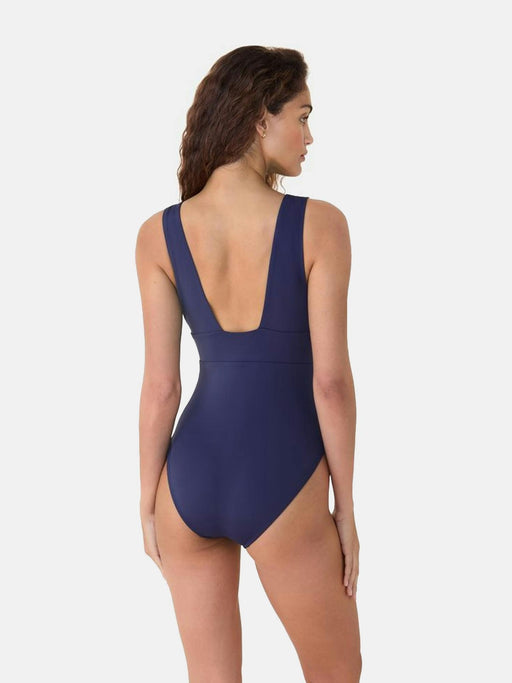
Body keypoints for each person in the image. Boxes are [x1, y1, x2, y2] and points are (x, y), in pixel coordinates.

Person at [135, 45, 362, 683]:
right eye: (302, 117)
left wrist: (148, 500)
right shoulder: (320, 225)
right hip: (281, 472)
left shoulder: (159, 233)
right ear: (261, 118)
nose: (310, 137)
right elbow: (330, 383)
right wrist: (344, 506)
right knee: (338, 673)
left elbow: (161, 387)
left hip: (188, 479)